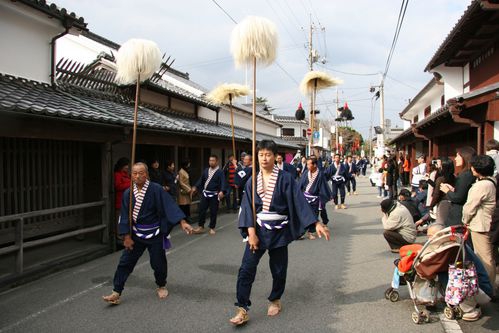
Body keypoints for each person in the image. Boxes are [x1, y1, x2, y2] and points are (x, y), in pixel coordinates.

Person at [229, 140, 330, 326]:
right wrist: (251, 233)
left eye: (268, 154)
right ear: (257, 156)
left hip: (279, 231)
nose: (264, 158)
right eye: (261, 155)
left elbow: (299, 201)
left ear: (275, 156)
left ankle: (275, 298)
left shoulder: (285, 178)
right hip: (258, 230)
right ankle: (242, 308)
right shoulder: (252, 180)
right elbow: (247, 208)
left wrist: (315, 222)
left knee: (279, 269)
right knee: (246, 269)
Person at [102, 163, 193, 305]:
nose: (137, 176)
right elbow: (125, 215)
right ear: (131, 175)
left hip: (155, 233)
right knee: (125, 262)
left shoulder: (156, 189)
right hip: (136, 235)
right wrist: (126, 236)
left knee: (158, 263)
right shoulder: (128, 193)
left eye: (141, 173)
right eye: (134, 173)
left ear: (146, 174)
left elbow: (169, 205)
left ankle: (161, 284)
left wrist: (182, 222)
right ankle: (116, 291)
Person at [462, 155, 497, 292]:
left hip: (481, 225)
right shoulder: (491, 182)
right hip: (488, 223)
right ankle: (490, 286)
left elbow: (470, 207)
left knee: (484, 259)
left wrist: (465, 220)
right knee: (489, 257)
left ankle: (488, 289)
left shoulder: (481, 185)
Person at [440, 147, 477, 226]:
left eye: (457, 156)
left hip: (459, 213)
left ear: (465, 157)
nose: (455, 159)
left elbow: (458, 198)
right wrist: (453, 190)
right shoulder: (469, 173)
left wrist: (447, 191)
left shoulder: (465, 175)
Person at [298, 156, 332, 240]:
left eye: (309, 164)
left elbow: (324, 187)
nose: (307, 166)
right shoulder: (306, 173)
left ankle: (311, 232)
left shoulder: (320, 174)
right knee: (303, 215)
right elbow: (300, 184)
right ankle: (301, 232)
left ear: (315, 165)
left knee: (314, 215)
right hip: (305, 197)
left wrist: (325, 197)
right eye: (307, 164)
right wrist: (297, 193)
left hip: (315, 199)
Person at [192, 155, 227, 235]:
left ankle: (212, 227)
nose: (211, 162)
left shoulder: (220, 172)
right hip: (205, 193)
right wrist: (195, 186)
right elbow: (201, 180)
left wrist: (222, 191)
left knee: (213, 211)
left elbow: (223, 182)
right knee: (201, 210)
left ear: (217, 161)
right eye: (210, 160)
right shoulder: (206, 170)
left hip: (214, 195)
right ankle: (201, 226)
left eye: (213, 160)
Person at [429, 158, 456, 225]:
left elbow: (436, 194)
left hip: (442, 202)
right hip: (452, 202)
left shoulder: (440, 179)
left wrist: (431, 206)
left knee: (441, 223)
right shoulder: (455, 177)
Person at [114, 157, 131, 225]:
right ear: (121, 166)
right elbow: (118, 186)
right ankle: (119, 235)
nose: (127, 167)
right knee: (120, 220)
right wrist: (130, 184)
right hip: (120, 200)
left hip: (128, 200)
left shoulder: (127, 175)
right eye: (125, 165)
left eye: (127, 165)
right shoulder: (117, 175)